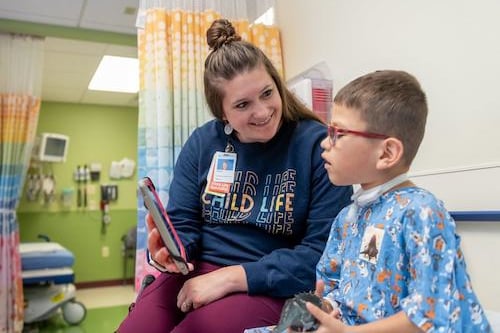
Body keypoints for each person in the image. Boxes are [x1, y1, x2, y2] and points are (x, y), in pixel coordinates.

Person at [116, 18, 352, 333]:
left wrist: (229, 278)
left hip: (268, 283)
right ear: (222, 113)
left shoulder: (317, 146)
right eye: (243, 104)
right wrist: (172, 253)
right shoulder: (203, 143)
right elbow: (184, 223)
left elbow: (322, 254)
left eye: (268, 93)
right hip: (195, 271)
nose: (263, 111)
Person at [303, 70, 492, 332]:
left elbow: (431, 314)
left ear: (387, 153)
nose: (325, 143)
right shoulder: (347, 218)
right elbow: (332, 286)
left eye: (338, 134)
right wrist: (322, 312)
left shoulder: (421, 213)